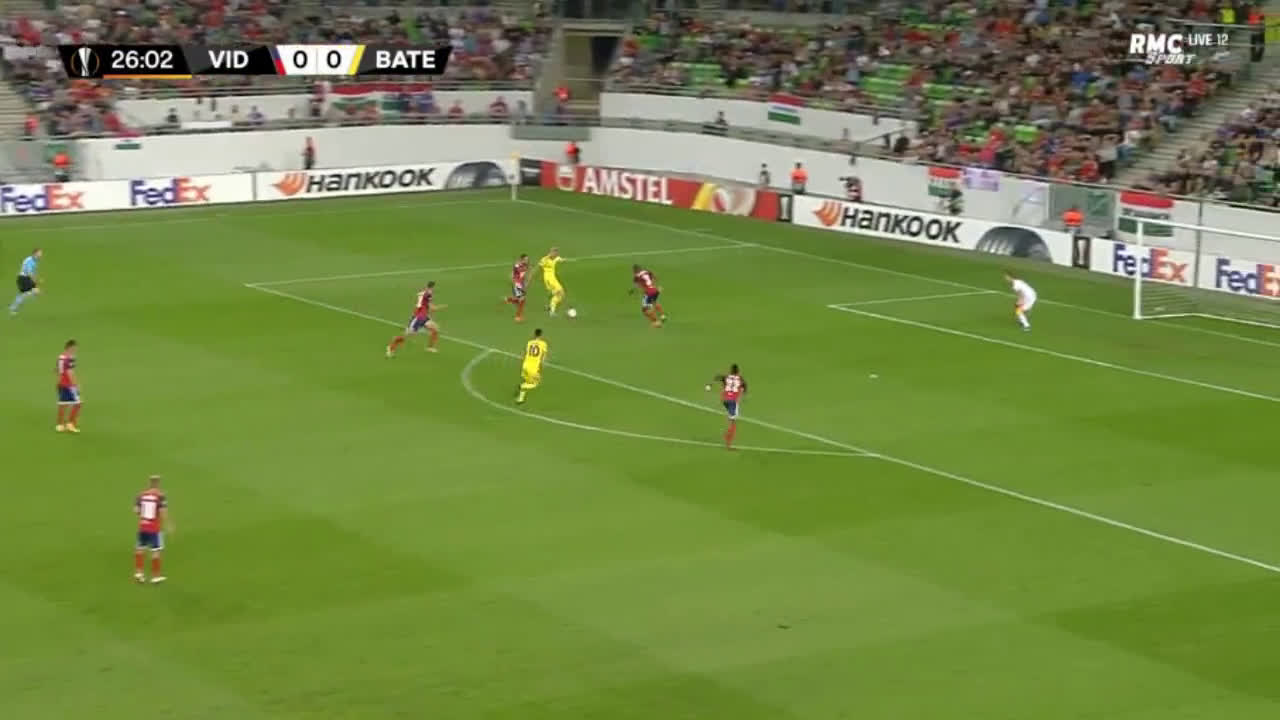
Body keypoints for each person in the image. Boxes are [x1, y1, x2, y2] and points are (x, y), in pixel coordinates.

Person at [386, 281, 445, 356]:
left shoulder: (423, 293)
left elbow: (422, 303)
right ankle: (391, 347)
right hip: (418, 318)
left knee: (435, 329)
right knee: (406, 336)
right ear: (432, 287)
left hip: (424, 316)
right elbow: (432, 308)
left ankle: (430, 347)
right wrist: (441, 307)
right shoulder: (428, 294)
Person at [134, 475, 170, 584]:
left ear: (149, 483)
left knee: (140, 549)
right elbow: (163, 512)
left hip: (143, 526)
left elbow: (136, 510)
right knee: (155, 551)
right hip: (154, 528)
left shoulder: (141, 495)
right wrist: (168, 524)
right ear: (158, 484)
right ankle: (155, 576)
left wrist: (144, 517)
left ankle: (139, 573)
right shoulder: (161, 496)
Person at [710, 364, 747, 450]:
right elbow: (744, 388)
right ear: (738, 371)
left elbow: (717, 377)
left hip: (725, 400)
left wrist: (710, 385)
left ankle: (727, 435)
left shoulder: (726, 377)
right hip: (733, 402)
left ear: (731, 370)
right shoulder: (741, 379)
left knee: (731, 418)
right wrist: (743, 393)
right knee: (733, 423)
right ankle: (728, 444)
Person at [515, 328, 549, 405]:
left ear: (534, 334)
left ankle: (520, 399)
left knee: (527, 381)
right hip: (533, 367)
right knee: (534, 384)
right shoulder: (543, 344)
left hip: (525, 365)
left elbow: (525, 353)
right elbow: (543, 357)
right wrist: (541, 366)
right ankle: (521, 386)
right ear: (541, 335)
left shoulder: (529, 342)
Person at [56, 339, 81, 433]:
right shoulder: (69, 359)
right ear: (69, 347)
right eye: (74, 348)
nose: (75, 350)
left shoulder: (61, 357)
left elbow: (57, 370)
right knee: (78, 404)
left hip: (61, 383)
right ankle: (70, 424)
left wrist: (59, 381)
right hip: (69, 385)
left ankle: (60, 425)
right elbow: (70, 372)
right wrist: (75, 385)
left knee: (63, 404)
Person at [10, 247, 41, 315]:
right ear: (34, 253)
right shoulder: (30, 261)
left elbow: (33, 272)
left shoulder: (34, 261)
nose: (40, 255)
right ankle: (13, 308)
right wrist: (35, 280)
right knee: (27, 293)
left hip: (27, 278)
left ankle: (14, 306)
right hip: (23, 279)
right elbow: (29, 273)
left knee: (36, 292)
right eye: (39, 254)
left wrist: (36, 279)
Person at [536, 247, 567, 316]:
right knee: (559, 293)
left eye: (556, 252)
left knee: (560, 294)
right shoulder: (544, 259)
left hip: (553, 279)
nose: (556, 254)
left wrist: (563, 260)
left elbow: (559, 259)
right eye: (554, 252)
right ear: (550, 252)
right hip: (549, 279)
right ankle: (552, 311)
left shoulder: (556, 258)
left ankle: (550, 307)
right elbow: (539, 266)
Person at [504, 254, 530, 323]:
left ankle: (509, 299)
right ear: (522, 259)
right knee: (522, 300)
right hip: (517, 284)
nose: (527, 261)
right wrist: (512, 281)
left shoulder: (526, 265)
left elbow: (524, 275)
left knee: (520, 300)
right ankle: (518, 317)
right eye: (525, 259)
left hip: (521, 284)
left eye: (527, 260)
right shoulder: (517, 265)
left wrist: (525, 283)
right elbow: (513, 274)